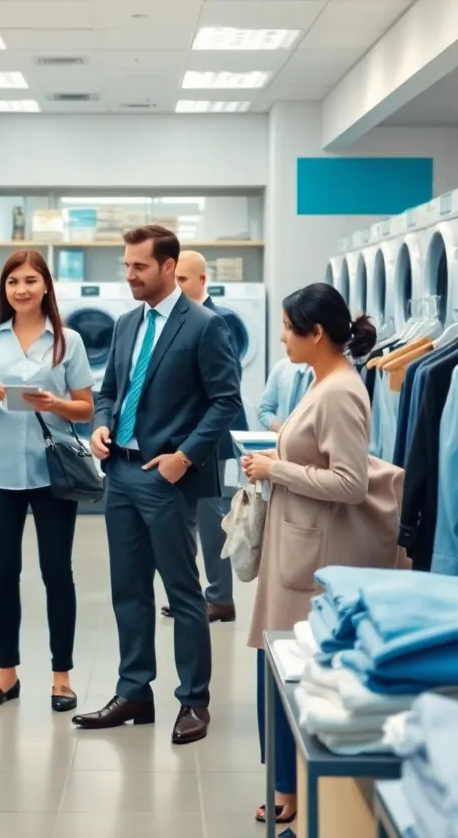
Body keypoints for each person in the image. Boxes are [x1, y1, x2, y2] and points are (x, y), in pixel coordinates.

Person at [72, 225, 242, 745]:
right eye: (126, 265)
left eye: (139, 266)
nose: (129, 275)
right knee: (127, 588)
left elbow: (226, 401)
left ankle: (194, 700)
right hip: (120, 472)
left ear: (169, 267)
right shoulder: (127, 324)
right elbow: (109, 391)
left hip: (165, 475)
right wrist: (101, 425)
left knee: (183, 591)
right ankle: (134, 692)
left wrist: (184, 457)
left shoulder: (205, 325)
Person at [241, 283, 404, 826]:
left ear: (315, 334)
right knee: (276, 660)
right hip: (299, 539)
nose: (282, 338)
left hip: (314, 550)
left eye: (289, 329)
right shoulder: (322, 381)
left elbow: (349, 483)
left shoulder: (339, 392)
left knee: (290, 666)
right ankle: (286, 785)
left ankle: (291, 789)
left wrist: (277, 468)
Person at [0, 250, 95, 713]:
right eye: (12, 282)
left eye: (29, 280)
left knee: (57, 573)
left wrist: (55, 404)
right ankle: (6, 672)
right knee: (2, 574)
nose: (20, 290)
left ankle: (62, 677)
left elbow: (86, 408)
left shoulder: (67, 341)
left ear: (45, 286)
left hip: (51, 475)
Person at [159, 248, 247, 624]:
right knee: (184, 520)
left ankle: (220, 598)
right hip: (182, 436)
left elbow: (224, 390)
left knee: (212, 519)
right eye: (173, 279)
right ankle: (193, 596)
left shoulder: (216, 320)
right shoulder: (176, 319)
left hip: (211, 438)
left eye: (183, 279)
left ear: (202, 280)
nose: (176, 286)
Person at [258, 356, 314, 433]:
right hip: (283, 437)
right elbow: (264, 410)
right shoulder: (282, 367)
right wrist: (283, 429)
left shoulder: (327, 376)